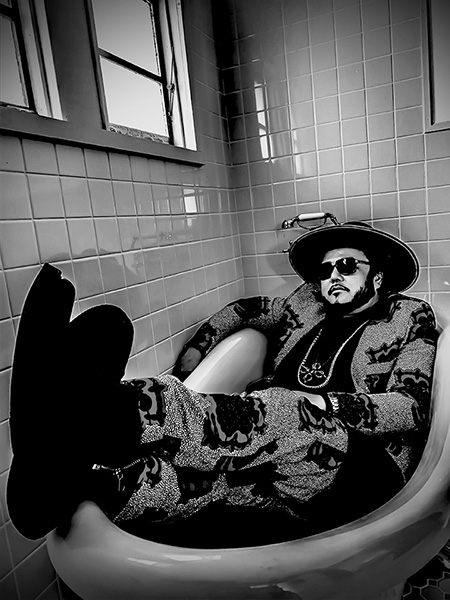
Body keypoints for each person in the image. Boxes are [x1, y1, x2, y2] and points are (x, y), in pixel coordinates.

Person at [7, 222, 437, 547]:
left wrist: (322, 404)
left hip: (359, 466)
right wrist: (198, 348)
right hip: (276, 462)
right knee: (188, 480)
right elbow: (245, 310)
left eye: (347, 266)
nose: (332, 276)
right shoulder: (305, 305)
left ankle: (90, 410)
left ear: (378, 276)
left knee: (285, 408)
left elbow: (412, 406)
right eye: (325, 270)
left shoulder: (408, 317)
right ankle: (59, 492)